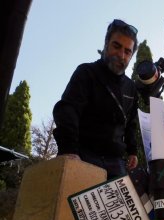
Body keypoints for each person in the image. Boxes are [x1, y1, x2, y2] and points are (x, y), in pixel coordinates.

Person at [53, 19, 139, 179]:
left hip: (116, 163)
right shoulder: (86, 72)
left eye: (127, 51)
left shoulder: (131, 88)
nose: (121, 55)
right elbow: (67, 110)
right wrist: (69, 150)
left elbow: (130, 123)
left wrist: (133, 151)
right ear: (106, 44)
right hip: (83, 155)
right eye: (117, 46)